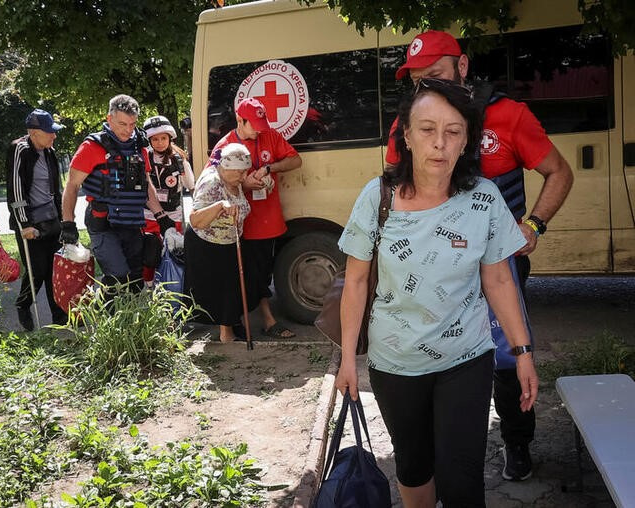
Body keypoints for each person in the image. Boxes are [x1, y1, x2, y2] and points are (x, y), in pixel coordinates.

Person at [336, 78, 539, 507]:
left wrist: (522, 352)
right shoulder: (378, 198)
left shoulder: (484, 199)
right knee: (413, 467)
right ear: (406, 136)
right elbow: (355, 282)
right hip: (395, 363)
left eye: (453, 132)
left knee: (461, 478)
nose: (439, 144)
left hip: (466, 358)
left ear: (467, 140)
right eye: (427, 130)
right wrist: (347, 361)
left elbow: (499, 280)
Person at [387, 30, 573, 482]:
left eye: (434, 75)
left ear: (463, 66)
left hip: (498, 266)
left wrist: (533, 226)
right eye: (417, 81)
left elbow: (559, 172)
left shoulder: (507, 116)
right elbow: (392, 194)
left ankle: (517, 444)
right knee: (437, 355)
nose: (425, 88)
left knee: (509, 357)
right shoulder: (404, 127)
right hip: (431, 270)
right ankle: (437, 449)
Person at [204, 98, 302, 339]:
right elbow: (211, 181)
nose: (259, 129)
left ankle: (258, 320)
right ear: (240, 120)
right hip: (239, 223)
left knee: (262, 269)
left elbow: (296, 160)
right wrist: (243, 183)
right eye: (254, 125)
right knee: (244, 272)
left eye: (262, 124)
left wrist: (270, 169)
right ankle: (257, 321)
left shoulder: (269, 135)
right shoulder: (225, 145)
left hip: (268, 217)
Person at [60, 94, 174, 293]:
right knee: (117, 279)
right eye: (122, 124)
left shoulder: (139, 146)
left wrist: (161, 216)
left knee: (136, 279)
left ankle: (133, 322)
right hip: (103, 221)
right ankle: (110, 318)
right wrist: (68, 224)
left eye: (132, 124)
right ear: (109, 118)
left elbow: (146, 184)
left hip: (132, 221)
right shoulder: (92, 146)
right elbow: (71, 186)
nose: (128, 130)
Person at [184, 143, 255, 342]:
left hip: (230, 241)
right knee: (224, 290)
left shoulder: (233, 178)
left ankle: (230, 330)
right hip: (208, 244)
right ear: (225, 168)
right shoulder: (211, 182)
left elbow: (240, 189)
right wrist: (220, 206)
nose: (243, 177)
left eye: (245, 172)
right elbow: (195, 220)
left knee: (232, 289)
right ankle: (226, 336)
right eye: (240, 173)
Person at [6, 109, 68, 331]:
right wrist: (24, 224)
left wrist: (64, 219)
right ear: (33, 133)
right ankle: (23, 305)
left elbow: (56, 189)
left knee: (55, 269)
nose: (54, 136)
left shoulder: (49, 151)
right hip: (31, 222)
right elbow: (16, 189)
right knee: (37, 270)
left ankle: (59, 315)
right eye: (49, 132)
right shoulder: (20, 150)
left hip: (51, 219)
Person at [140, 115, 195, 283]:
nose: (159, 142)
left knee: (173, 252)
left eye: (163, 138)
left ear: (170, 137)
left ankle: (173, 285)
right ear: (149, 140)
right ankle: (149, 287)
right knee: (150, 253)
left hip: (174, 216)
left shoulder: (178, 160)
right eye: (155, 139)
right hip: (150, 215)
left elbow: (191, 186)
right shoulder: (143, 158)